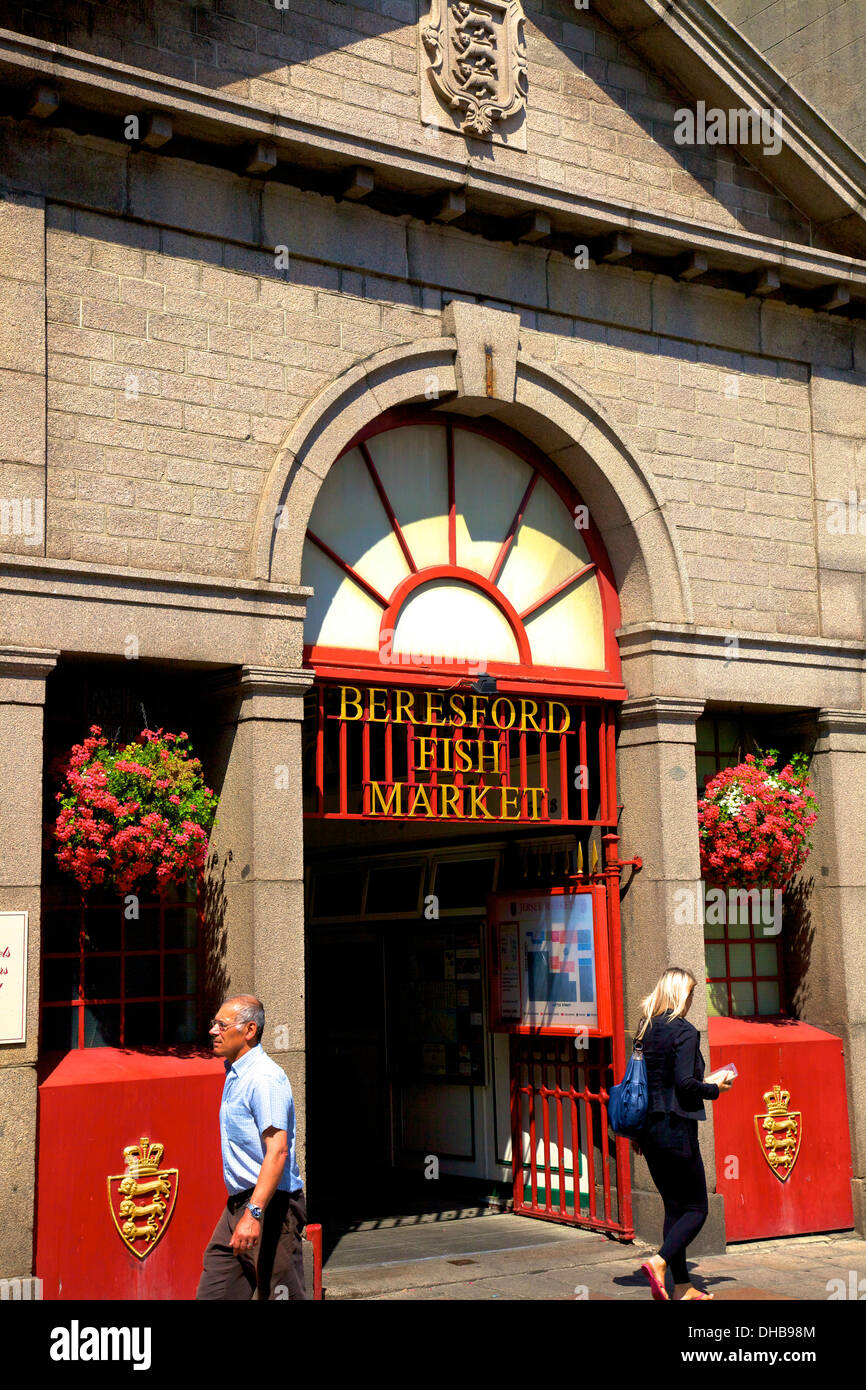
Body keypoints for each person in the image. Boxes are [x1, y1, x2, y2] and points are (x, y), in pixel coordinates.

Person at [631, 967, 734, 1302]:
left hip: (648, 1129)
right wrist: (716, 1086)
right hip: (676, 1127)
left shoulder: (645, 1027)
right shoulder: (685, 1032)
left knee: (674, 1208)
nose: (692, 1001)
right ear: (680, 995)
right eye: (691, 994)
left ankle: (682, 1286)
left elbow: (640, 1084)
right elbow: (685, 1085)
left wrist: (637, 1133)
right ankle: (659, 1262)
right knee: (696, 1209)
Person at [196, 994, 307, 1300]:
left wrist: (254, 1213)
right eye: (213, 1023)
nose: (213, 1031)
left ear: (249, 1031)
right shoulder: (235, 1073)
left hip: (271, 1207)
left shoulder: (264, 1078)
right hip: (239, 1205)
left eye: (222, 1024)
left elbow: (278, 1151)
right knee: (215, 1290)